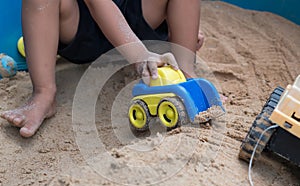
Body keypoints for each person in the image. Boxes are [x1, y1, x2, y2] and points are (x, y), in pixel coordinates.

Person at [0, 0, 204, 138]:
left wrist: (179, 23)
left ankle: (185, 72)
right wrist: (139, 55)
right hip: (81, 27)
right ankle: (43, 92)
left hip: (138, 20)